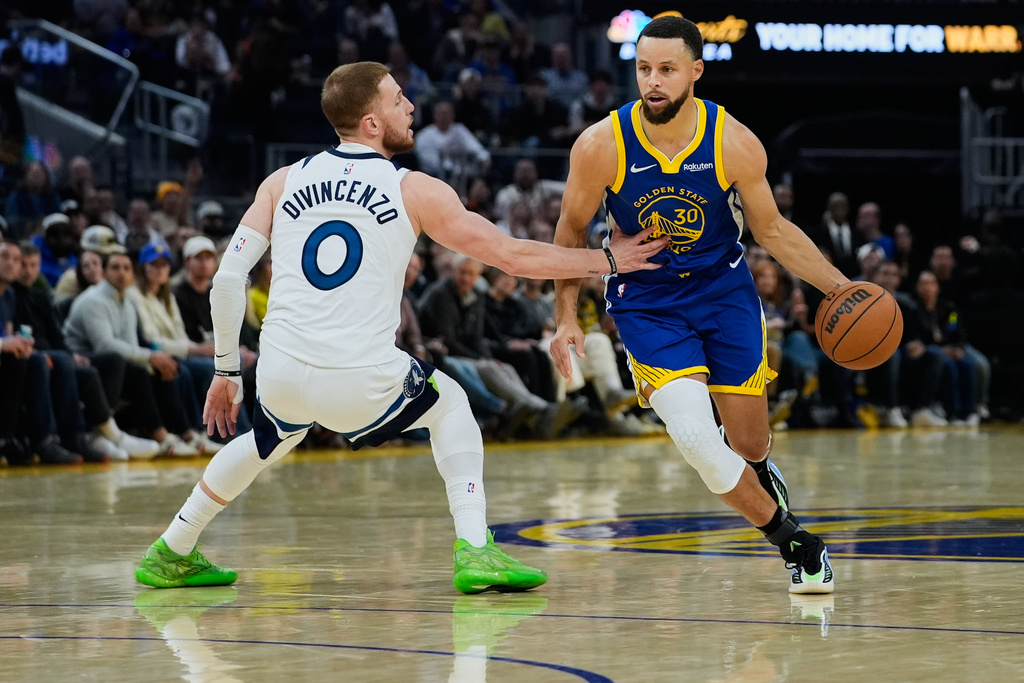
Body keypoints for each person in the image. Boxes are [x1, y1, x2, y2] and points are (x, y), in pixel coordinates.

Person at [134, 60, 665, 593]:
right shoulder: (413, 189)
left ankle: (172, 549)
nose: (410, 107)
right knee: (451, 403)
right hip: (357, 377)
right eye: (397, 100)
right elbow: (512, 256)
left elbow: (227, 280)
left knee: (269, 435)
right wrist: (608, 260)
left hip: (280, 371)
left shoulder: (282, 180)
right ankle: (477, 551)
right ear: (370, 121)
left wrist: (226, 370)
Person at [550, 16, 847, 594]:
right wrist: (564, 317)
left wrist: (839, 287)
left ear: (696, 72)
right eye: (643, 70)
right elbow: (570, 232)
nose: (652, 82)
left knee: (749, 443)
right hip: (648, 301)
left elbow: (775, 231)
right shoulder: (600, 145)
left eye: (666, 70)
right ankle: (795, 543)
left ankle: (759, 471)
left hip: (724, 291)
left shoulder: (733, 141)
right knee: (692, 434)